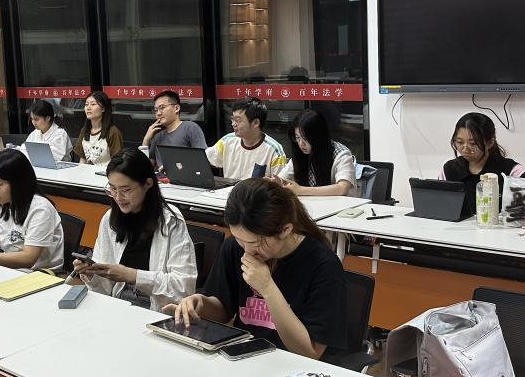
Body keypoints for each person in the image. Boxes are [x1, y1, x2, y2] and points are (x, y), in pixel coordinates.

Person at [168, 179, 346, 359]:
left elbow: (310, 352)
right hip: (244, 355)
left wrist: (267, 287)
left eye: (254, 243)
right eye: (239, 239)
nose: (247, 250)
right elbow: (224, 311)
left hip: (294, 365)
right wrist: (201, 304)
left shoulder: (323, 265)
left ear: (285, 230)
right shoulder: (233, 248)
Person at [74, 148, 196, 311]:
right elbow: (104, 290)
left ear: (148, 184)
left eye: (125, 190)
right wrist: (91, 274)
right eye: (112, 188)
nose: (118, 197)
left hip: (157, 310)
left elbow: (183, 289)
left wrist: (132, 275)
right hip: (118, 303)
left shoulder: (171, 221)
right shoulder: (110, 219)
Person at [440, 112, 525, 219]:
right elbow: (439, 206)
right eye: (459, 142)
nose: (465, 148)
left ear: (490, 143)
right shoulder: (449, 170)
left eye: (473, 143)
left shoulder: (510, 170)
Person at [273, 111, 356, 197]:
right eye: (297, 137)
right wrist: (277, 182)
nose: (301, 143)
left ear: (318, 137)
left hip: (343, 204)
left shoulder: (341, 154)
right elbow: (282, 177)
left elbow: (343, 188)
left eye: (305, 138)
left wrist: (301, 190)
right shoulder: (300, 153)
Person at [205, 97, 287, 180]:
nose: (233, 124)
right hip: (229, 188)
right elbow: (205, 158)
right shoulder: (226, 141)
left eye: (238, 120)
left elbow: (281, 184)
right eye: (233, 119)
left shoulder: (273, 150)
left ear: (256, 123)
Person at [142, 90, 207, 168]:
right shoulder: (158, 137)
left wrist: (172, 167)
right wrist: (146, 140)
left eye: (162, 108)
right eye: (156, 110)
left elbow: (202, 159)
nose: (158, 113)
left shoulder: (190, 128)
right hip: (162, 176)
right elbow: (146, 168)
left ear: (176, 108)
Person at [72, 91, 123, 166]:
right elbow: (83, 159)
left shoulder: (112, 131)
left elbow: (117, 162)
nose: (88, 108)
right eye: (86, 104)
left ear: (103, 109)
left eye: (93, 104)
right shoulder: (84, 130)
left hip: (107, 172)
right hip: (88, 172)